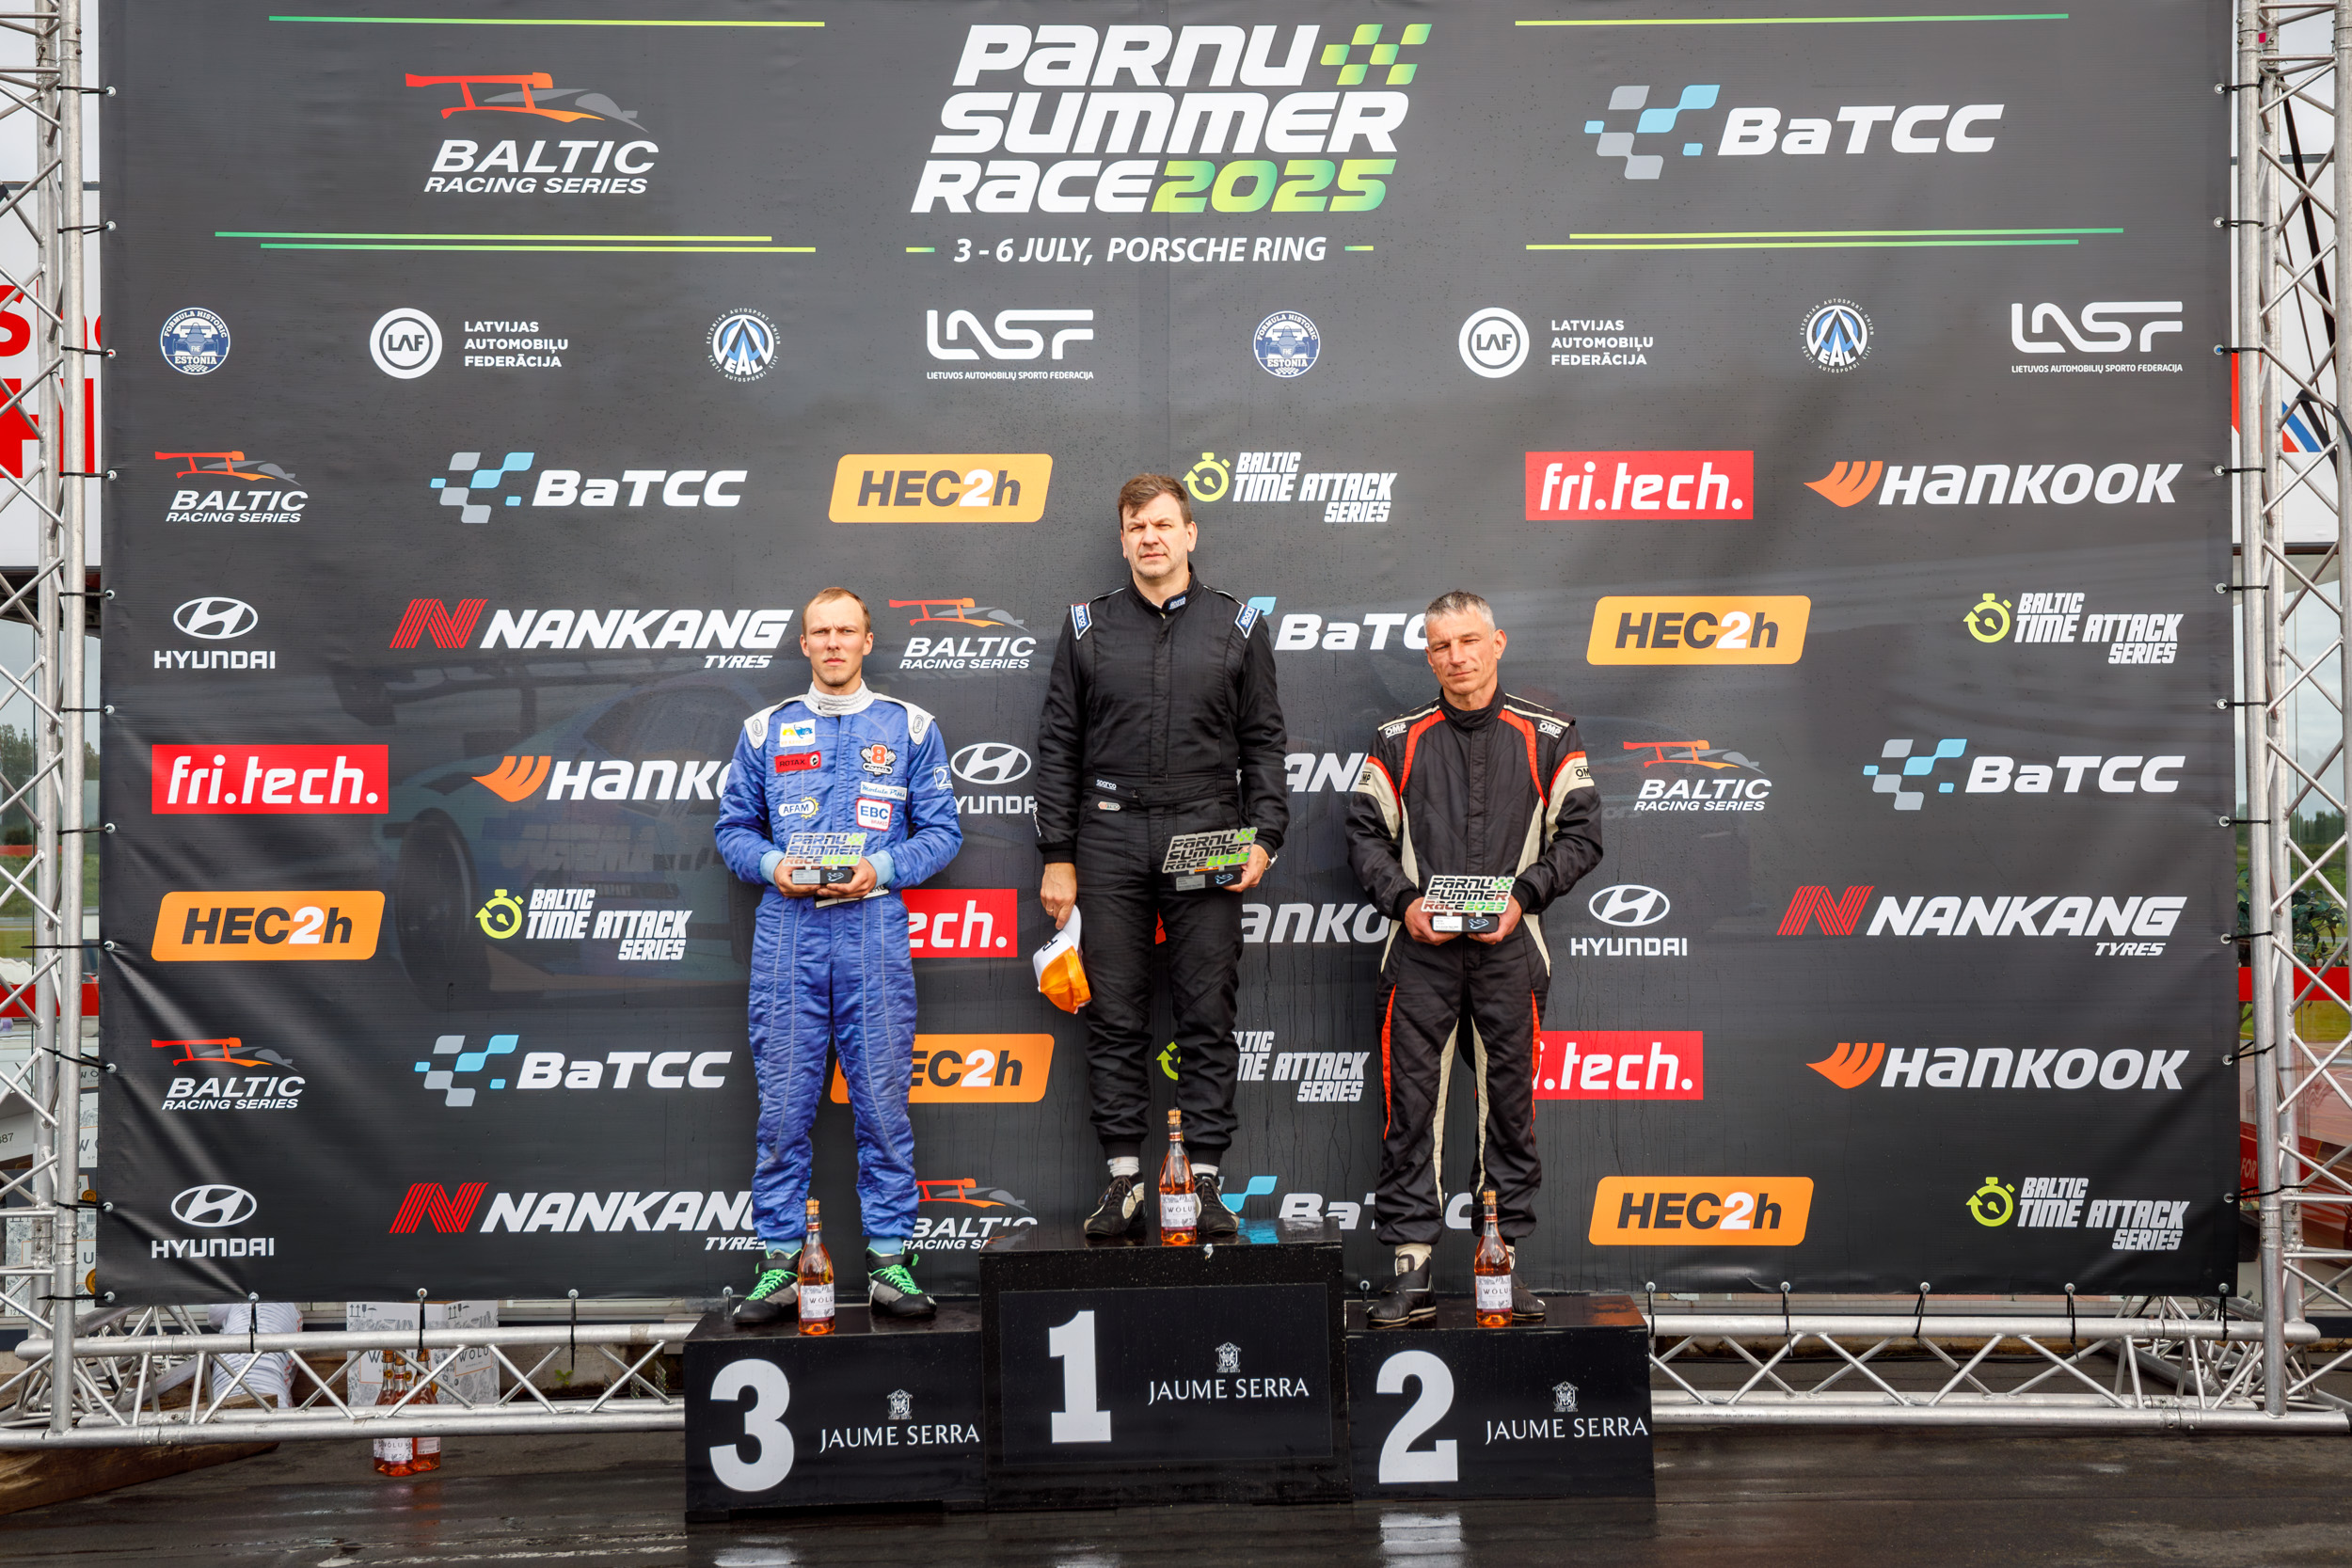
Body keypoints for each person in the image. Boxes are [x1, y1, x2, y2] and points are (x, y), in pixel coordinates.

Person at [1035, 473, 1288, 1240]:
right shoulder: (1086, 626)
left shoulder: (1238, 624)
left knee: (1207, 1012)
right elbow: (1058, 746)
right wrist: (1058, 853)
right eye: (1136, 526)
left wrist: (1265, 836)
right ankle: (1124, 1181)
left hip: (1206, 827)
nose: (1150, 537)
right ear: (1122, 541)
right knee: (1114, 1015)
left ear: (1189, 533)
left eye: (1162, 524)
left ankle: (1203, 1180)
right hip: (1108, 831)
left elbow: (1264, 743)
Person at [1344, 590, 1603, 1324]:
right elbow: (1362, 835)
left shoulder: (1549, 735)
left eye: (1468, 640)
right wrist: (1404, 902)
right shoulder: (1396, 739)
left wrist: (1524, 895)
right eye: (1441, 645)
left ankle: (1499, 1267)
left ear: (1497, 643)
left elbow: (1583, 835)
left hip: (1509, 951)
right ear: (1428, 656)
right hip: (1419, 954)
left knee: (1509, 1113)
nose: (1456, 656)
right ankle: (1411, 1272)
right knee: (1409, 1112)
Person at [715, 587, 962, 1323]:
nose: (832, 642)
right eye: (820, 631)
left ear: (866, 640)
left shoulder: (911, 727)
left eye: (845, 630)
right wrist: (773, 865)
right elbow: (732, 830)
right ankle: (779, 1266)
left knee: (883, 1104)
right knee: (783, 1109)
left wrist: (879, 868)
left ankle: (890, 1262)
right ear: (804, 643)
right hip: (788, 930)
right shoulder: (765, 729)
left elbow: (942, 832)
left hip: (873, 926)